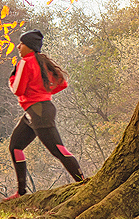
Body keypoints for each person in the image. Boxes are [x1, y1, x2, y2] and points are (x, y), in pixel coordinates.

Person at [6, 27, 83, 198]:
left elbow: (17, 90)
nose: (18, 47)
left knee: (58, 149)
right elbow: (62, 84)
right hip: (37, 111)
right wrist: (43, 93)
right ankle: (21, 192)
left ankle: (84, 184)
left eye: (21, 43)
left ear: (29, 46)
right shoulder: (41, 61)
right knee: (15, 146)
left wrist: (11, 79)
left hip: (38, 112)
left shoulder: (25, 62)